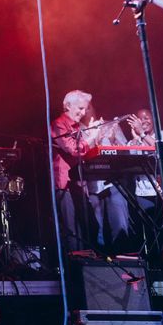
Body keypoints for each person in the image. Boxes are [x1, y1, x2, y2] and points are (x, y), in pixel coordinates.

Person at [51, 90, 104, 252]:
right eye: (80, 108)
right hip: (64, 183)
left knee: (90, 226)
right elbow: (73, 150)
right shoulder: (58, 124)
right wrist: (92, 136)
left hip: (78, 183)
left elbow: (85, 152)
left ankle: (87, 264)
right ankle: (75, 271)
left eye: (85, 109)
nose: (83, 113)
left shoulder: (77, 127)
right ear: (67, 106)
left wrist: (96, 137)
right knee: (72, 230)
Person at [81, 104, 132, 250]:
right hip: (91, 184)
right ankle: (100, 261)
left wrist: (112, 139)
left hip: (113, 181)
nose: (84, 111)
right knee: (97, 228)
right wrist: (95, 139)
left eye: (88, 107)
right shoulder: (77, 129)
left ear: (94, 109)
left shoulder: (111, 125)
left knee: (120, 221)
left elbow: (126, 150)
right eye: (81, 108)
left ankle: (123, 254)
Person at [126, 108, 163, 212]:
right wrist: (136, 138)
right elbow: (129, 159)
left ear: (154, 119)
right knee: (149, 224)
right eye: (140, 119)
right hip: (143, 192)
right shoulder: (133, 141)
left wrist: (142, 134)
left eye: (146, 118)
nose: (143, 121)